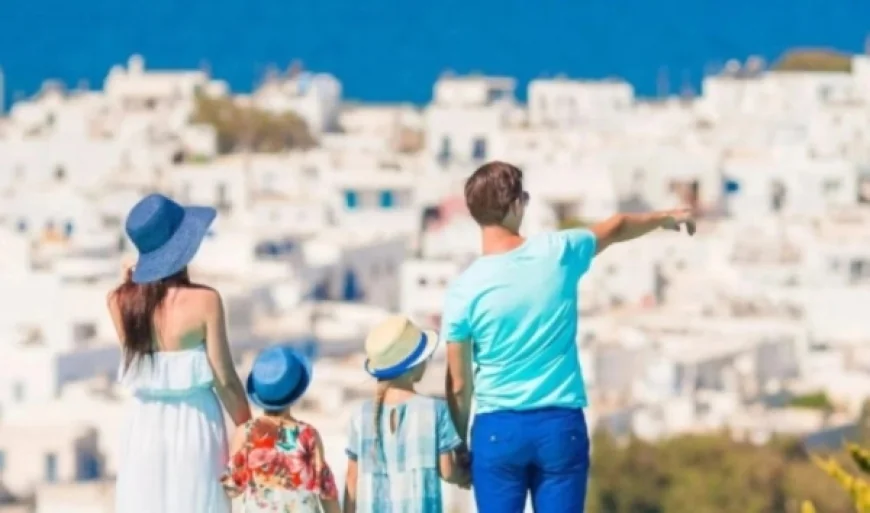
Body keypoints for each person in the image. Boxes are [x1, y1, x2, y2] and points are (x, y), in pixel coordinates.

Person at [442, 161, 696, 513]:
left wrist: (456, 444)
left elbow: (458, 384)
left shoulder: (464, 288)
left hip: (497, 430)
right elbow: (617, 225)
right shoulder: (557, 252)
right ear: (515, 205)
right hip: (559, 426)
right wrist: (667, 217)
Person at [109, 193, 252, 513]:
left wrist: (126, 281)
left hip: (143, 427)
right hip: (196, 423)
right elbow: (225, 379)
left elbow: (138, 357)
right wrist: (246, 427)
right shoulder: (205, 301)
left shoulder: (118, 302)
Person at [344, 315, 470, 513]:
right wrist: (465, 477)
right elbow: (447, 471)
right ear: (414, 366)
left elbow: (352, 479)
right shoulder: (435, 410)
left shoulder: (360, 416)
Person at [221, 346, 341, 513]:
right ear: (295, 392)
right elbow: (326, 491)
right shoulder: (308, 435)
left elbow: (233, 487)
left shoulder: (246, 433)